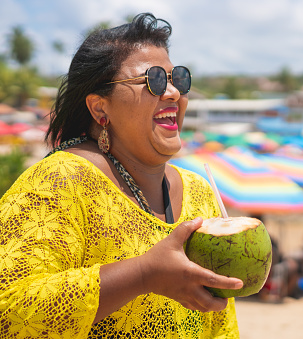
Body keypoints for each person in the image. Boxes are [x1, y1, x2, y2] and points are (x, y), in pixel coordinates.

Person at [0, 13, 243, 338]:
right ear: (100, 109)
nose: (172, 93)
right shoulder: (59, 181)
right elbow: (10, 310)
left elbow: (220, 325)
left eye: (178, 79)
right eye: (153, 80)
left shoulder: (199, 191)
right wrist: (144, 275)